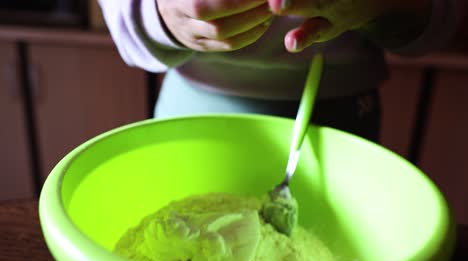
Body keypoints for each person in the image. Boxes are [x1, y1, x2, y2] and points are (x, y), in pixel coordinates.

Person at [97, 0, 464, 143]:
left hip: (344, 120)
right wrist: (161, 17)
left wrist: (384, 7)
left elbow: (442, 20)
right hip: (193, 110)